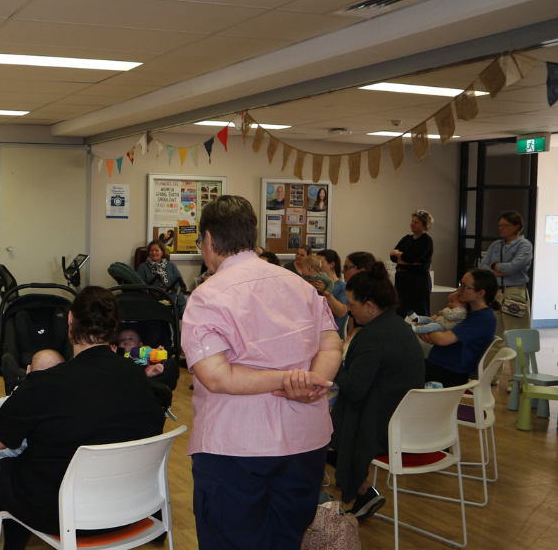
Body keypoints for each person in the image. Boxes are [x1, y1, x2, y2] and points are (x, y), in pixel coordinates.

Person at [180, 195, 342, 550]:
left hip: (236, 447)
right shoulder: (301, 286)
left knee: (232, 541)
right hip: (305, 442)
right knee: (286, 539)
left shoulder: (207, 296)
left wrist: (289, 380)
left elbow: (217, 376)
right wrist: (308, 380)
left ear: (209, 240)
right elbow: (332, 345)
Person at [0, 286, 165, 550]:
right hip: (131, 507)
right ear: (113, 328)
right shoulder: (137, 377)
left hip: (64, 512)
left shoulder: (47, 382)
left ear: (71, 320)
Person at [330, 262, 424, 521]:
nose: (349, 309)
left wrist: (336, 359)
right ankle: (362, 492)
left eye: (352, 304)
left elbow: (352, 389)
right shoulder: (400, 327)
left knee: (320, 427)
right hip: (408, 419)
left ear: (369, 306)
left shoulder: (371, 337)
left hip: (383, 427)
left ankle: (347, 495)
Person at [0, 349, 65, 494]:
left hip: (23, 446)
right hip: (55, 457)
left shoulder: (24, 392)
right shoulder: (64, 395)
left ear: (28, 370)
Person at [420, 269, 498, 388]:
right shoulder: (464, 310)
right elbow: (424, 321)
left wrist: (426, 329)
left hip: (450, 372)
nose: (458, 289)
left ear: (480, 293)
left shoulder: (483, 318)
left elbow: (442, 340)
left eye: (464, 287)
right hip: (437, 364)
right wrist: (424, 327)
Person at [477, 210, 533, 374]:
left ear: (517, 227)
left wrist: (494, 266)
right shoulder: (496, 245)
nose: (501, 228)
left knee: (517, 338)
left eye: (506, 225)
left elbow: (513, 267)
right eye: (500, 225)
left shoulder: (525, 245)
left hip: (514, 293)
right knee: (495, 338)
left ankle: (518, 380)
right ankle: (489, 377)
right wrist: (500, 270)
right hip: (496, 293)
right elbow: (482, 266)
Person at [391, 210, 434, 317]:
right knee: (400, 310)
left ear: (424, 225)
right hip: (401, 279)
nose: (412, 224)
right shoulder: (407, 239)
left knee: (418, 311)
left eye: (416, 222)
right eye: (412, 221)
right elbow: (392, 256)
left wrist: (399, 254)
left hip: (417, 281)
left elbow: (411, 258)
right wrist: (404, 258)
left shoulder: (426, 240)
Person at [136, 240, 186, 309]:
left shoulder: (171, 266)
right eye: (151, 251)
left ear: (162, 252)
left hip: (175, 300)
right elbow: (139, 287)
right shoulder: (143, 267)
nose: (154, 253)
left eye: (156, 250)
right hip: (155, 301)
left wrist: (172, 289)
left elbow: (181, 285)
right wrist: (153, 291)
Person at [341, 252, 377, 340]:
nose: (343, 271)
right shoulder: (355, 291)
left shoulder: (373, 295)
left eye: (347, 268)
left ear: (361, 271)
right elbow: (353, 325)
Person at [315, 249, 349, 338]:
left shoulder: (342, 286)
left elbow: (341, 312)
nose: (317, 267)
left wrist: (326, 292)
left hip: (333, 335)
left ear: (332, 265)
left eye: (320, 263)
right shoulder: (315, 284)